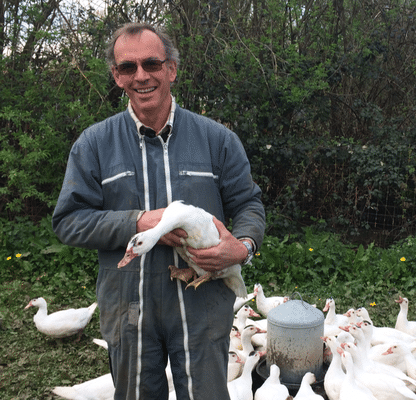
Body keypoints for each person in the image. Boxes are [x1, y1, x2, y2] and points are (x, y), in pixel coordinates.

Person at [52, 22, 265, 400]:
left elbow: (248, 203)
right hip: (128, 305)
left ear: (172, 69)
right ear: (117, 77)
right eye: (127, 68)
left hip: (203, 302)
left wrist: (243, 246)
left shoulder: (217, 139)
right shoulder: (95, 144)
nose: (141, 76)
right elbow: (69, 221)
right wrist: (137, 221)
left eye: (151, 63)